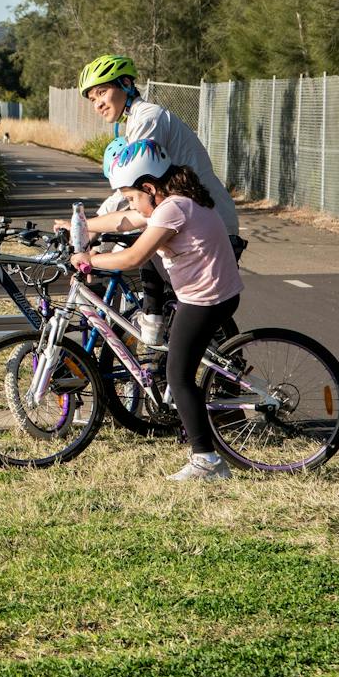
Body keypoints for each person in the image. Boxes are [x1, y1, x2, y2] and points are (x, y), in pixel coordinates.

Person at [71, 139, 243, 482]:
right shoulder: (176, 201)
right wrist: (82, 225)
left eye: (134, 195)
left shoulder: (172, 210)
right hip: (212, 295)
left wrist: (89, 260)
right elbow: (125, 219)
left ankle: (207, 461)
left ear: (150, 188)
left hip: (205, 300)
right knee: (181, 365)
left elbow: (134, 257)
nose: (133, 203)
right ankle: (204, 448)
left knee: (179, 377)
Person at [63, 54, 244, 344]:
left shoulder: (149, 119)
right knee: (160, 288)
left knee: (187, 312)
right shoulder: (137, 119)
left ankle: (206, 373)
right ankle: (159, 340)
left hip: (207, 225)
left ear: (125, 83)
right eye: (91, 98)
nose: (97, 103)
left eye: (101, 92)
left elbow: (131, 186)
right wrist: (89, 224)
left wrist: (89, 228)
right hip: (193, 220)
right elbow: (132, 196)